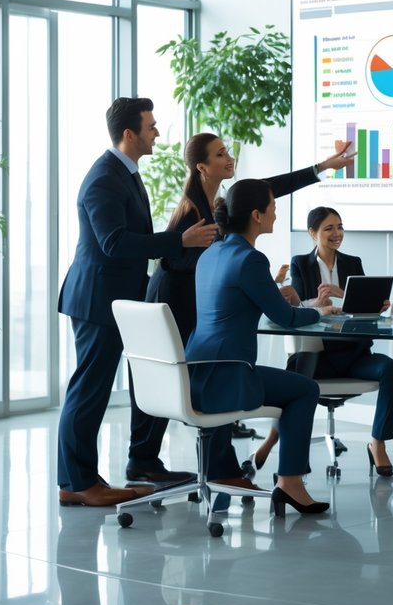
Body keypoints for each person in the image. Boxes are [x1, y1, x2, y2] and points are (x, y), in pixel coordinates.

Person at [144, 133, 353, 452]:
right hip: (177, 304)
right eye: (220, 154)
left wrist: (321, 167)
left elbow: (268, 188)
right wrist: (315, 310)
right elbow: (171, 260)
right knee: (303, 389)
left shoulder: (217, 240)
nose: (230, 158)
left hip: (198, 351)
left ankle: (220, 468)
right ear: (201, 167)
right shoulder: (200, 218)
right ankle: (286, 473)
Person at [57, 97, 218, 507]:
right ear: (129, 134)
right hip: (97, 300)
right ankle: (77, 482)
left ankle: (84, 478)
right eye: (151, 127)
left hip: (115, 299)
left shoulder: (124, 173)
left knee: (93, 390)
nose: (157, 133)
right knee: (88, 391)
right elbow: (113, 243)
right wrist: (179, 240)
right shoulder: (104, 178)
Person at [185, 178, 341, 515]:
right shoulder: (250, 259)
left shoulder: (211, 253)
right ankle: (290, 482)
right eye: (272, 207)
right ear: (257, 215)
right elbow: (286, 317)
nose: (275, 213)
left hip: (194, 372)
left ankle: (224, 479)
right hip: (229, 375)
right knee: (305, 389)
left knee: (293, 385)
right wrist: (319, 311)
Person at [261, 206, 393, 477]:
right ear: (312, 233)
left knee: (392, 370)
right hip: (319, 356)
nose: (337, 233)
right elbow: (297, 309)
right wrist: (319, 304)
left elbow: (364, 307)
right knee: (294, 374)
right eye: (329, 228)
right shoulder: (301, 263)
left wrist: (364, 301)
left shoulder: (353, 263)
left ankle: (378, 443)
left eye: (340, 227)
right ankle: (279, 444)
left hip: (354, 354)